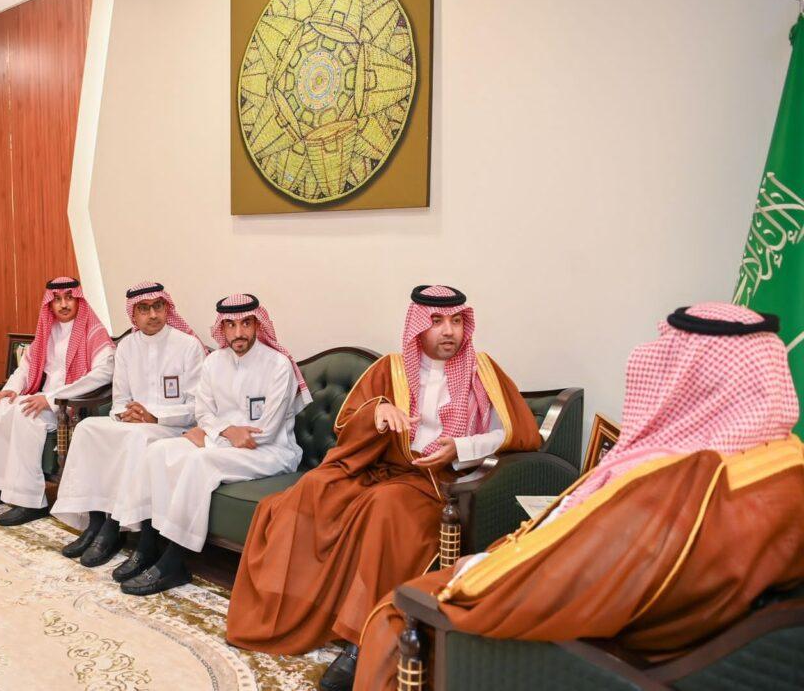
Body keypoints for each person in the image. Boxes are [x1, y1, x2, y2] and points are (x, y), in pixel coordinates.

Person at [354, 302, 804, 690]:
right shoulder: (782, 462)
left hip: (571, 645)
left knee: (398, 609)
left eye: (666, 358)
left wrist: (474, 572)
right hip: (635, 630)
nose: (647, 364)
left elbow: (573, 579)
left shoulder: (680, 482)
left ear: (692, 379)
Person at [226, 285, 541, 691]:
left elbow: (516, 434)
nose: (449, 331)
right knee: (313, 488)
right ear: (417, 326)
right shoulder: (391, 369)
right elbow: (347, 425)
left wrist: (461, 448)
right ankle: (288, 608)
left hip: (436, 480)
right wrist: (379, 412)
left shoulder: (482, 372)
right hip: (380, 465)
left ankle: (362, 641)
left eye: (456, 321)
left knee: (384, 507)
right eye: (437, 321)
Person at [112, 293, 311, 596]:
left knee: (199, 461)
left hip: (270, 452)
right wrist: (221, 432)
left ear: (257, 324)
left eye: (246, 323)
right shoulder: (214, 362)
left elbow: (265, 433)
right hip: (224, 441)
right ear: (222, 328)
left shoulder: (278, 366)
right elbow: (203, 413)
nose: (238, 332)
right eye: (230, 325)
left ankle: (175, 562)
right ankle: (148, 544)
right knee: (157, 451)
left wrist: (208, 437)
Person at [51, 282, 206, 568]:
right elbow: (120, 399)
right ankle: (95, 522)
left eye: (157, 307)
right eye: (144, 309)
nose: (153, 315)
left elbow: (198, 408)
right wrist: (127, 414)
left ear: (166, 308)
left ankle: (114, 528)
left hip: (173, 426)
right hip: (134, 423)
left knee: (136, 439)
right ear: (133, 315)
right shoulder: (126, 348)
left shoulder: (188, 346)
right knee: (88, 429)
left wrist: (154, 416)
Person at [0, 277, 114, 525]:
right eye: (57, 299)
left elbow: (103, 374)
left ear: (78, 300)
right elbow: (26, 366)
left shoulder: (93, 331)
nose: (63, 304)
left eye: (69, 298)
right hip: (42, 398)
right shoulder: (48, 330)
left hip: (69, 405)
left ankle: (30, 502)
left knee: (26, 415)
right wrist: (11, 389)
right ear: (50, 304)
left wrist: (53, 399)